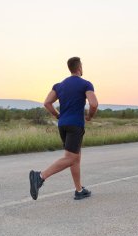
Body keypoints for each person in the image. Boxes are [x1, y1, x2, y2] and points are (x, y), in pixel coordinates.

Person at [29, 57, 98, 200]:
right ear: (80, 67)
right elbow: (94, 104)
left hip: (63, 125)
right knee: (71, 158)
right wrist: (90, 116)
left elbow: (47, 103)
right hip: (75, 125)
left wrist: (57, 115)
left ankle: (79, 190)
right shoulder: (85, 84)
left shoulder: (59, 85)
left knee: (75, 158)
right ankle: (40, 176)